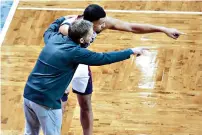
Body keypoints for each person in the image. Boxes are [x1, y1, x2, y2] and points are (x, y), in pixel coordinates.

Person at [59, 4, 185, 135]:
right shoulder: (69, 27)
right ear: (89, 23)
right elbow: (58, 37)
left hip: (82, 64)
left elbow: (131, 27)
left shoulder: (99, 22)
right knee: (59, 107)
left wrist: (163, 29)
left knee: (86, 105)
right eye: (100, 24)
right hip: (63, 66)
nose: (103, 26)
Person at [23, 16, 148, 135]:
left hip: (28, 95)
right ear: (82, 40)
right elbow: (104, 58)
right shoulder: (76, 52)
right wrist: (131, 51)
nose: (92, 36)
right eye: (90, 34)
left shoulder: (53, 38)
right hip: (46, 102)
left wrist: (63, 19)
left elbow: (49, 29)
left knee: (30, 133)